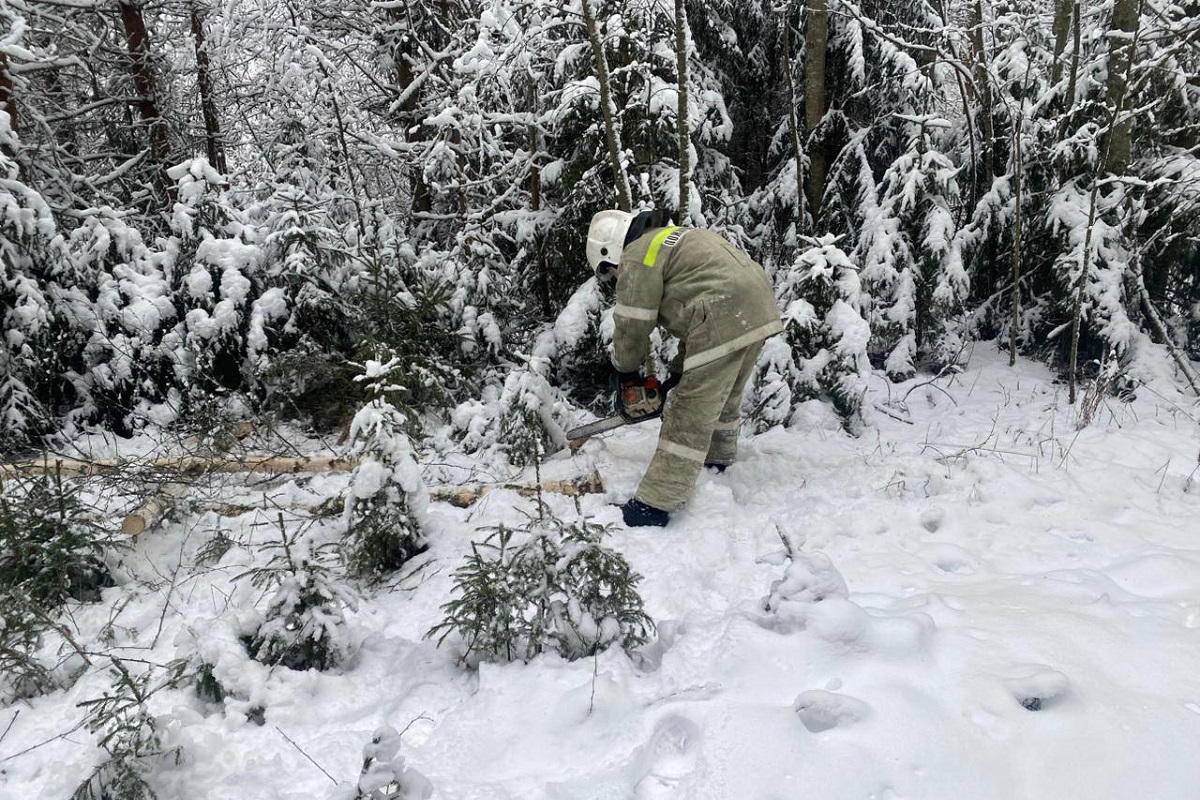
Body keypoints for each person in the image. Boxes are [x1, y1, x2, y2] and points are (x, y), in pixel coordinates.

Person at [586, 208, 784, 527]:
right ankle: (716, 460)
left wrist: (625, 374)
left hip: (722, 310)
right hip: (757, 307)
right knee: (724, 395)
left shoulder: (637, 254)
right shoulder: (671, 238)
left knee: (688, 411)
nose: (615, 279)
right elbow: (696, 317)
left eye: (610, 273)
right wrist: (676, 375)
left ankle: (654, 504)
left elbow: (633, 321)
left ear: (610, 254)